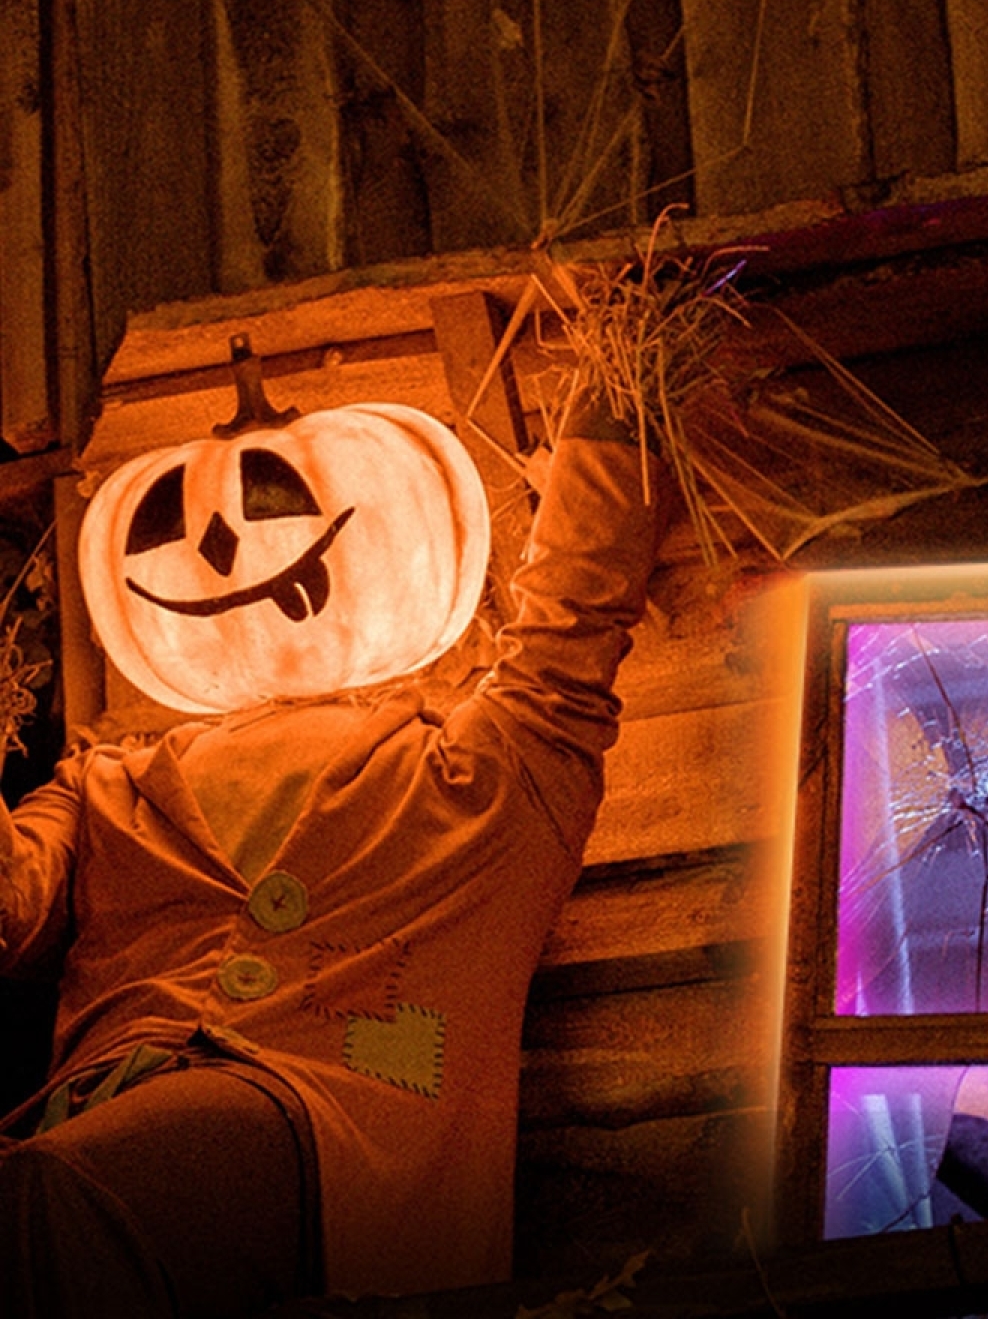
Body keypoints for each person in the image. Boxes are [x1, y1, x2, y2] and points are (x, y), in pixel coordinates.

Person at [0, 390, 666, 1316]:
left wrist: (616, 401)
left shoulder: (476, 772)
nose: (220, 548)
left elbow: (569, 634)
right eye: (163, 523)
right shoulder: (101, 787)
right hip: (83, 1112)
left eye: (273, 500)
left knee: (53, 1192)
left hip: (323, 1117)